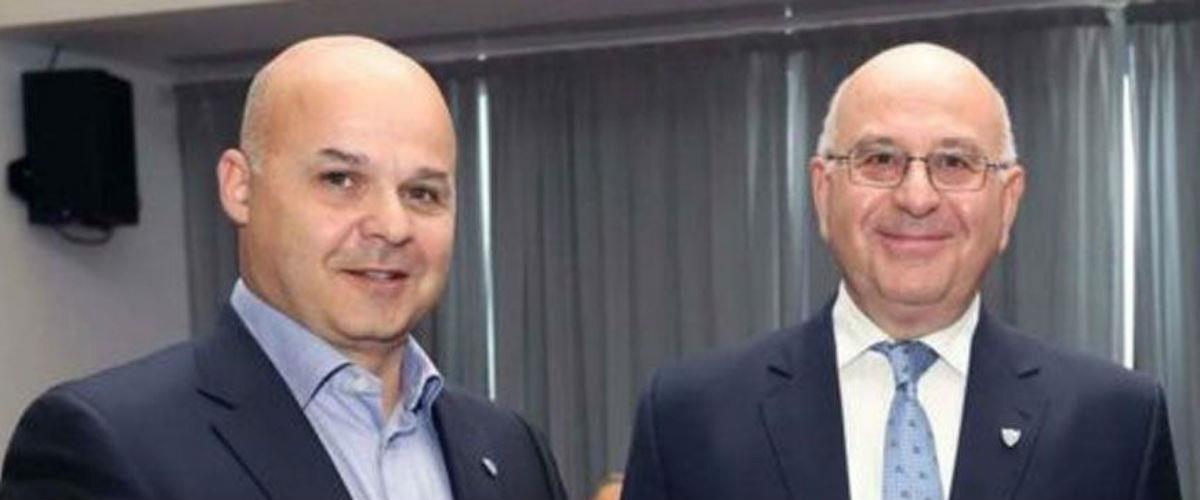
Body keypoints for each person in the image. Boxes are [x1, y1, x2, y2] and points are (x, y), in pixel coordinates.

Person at [1, 36, 566, 500]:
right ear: (239, 188)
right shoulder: (106, 443)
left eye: (422, 193)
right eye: (340, 180)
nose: (392, 226)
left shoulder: (510, 450)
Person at [620, 42, 1181, 500]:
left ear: (1008, 201)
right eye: (880, 160)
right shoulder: (689, 420)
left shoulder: (1118, 425)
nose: (916, 198)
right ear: (823, 191)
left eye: (954, 162)